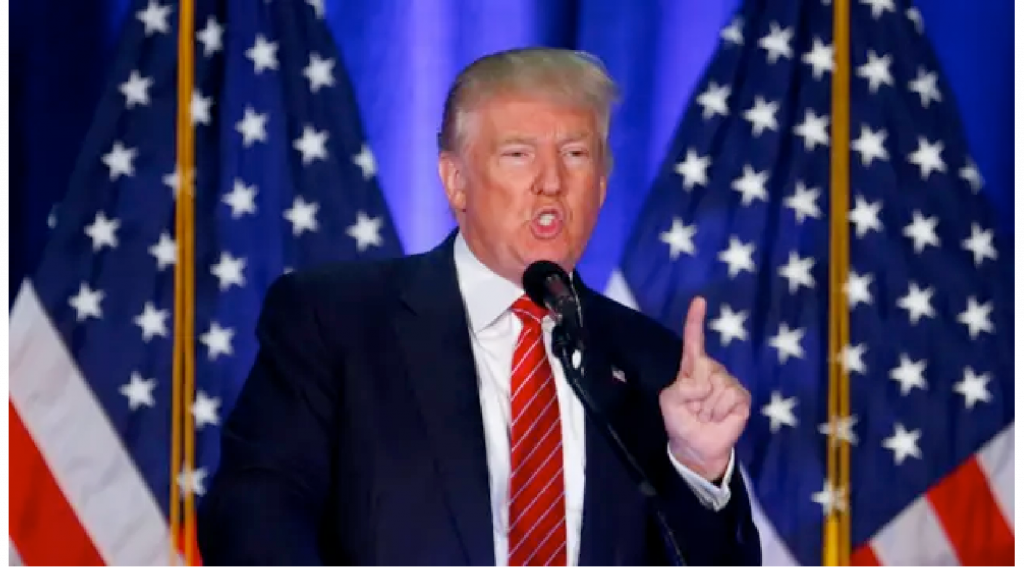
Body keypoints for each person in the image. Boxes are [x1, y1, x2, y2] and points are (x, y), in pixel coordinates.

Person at [197, 47, 762, 566]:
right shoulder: (335, 321)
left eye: (575, 154)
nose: (550, 183)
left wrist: (698, 469)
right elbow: (253, 518)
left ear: (602, 186)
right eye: (518, 155)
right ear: (456, 181)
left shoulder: (653, 365)